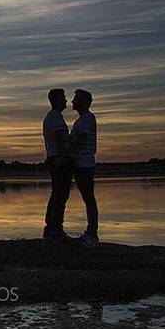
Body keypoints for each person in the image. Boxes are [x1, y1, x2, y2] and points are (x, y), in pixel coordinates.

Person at [68, 89, 99, 246]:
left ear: (85, 102)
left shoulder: (87, 118)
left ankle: (92, 234)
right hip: (80, 164)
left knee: (89, 199)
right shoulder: (79, 121)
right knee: (88, 198)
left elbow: (80, 139)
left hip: (85, 164)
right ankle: (90, 232)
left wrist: (67, 152)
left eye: (76, 98)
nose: (72, 101)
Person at [42, 88, 72, 239]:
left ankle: (50, 225)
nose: (66, 100)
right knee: (61, 194)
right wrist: (65, 156)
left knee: (56, 192)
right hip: (58, 159)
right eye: (64, 97)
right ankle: (56, 228)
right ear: (57, 100)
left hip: (54, 157)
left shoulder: (52, 116)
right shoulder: (55, 117)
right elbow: (59, 138)